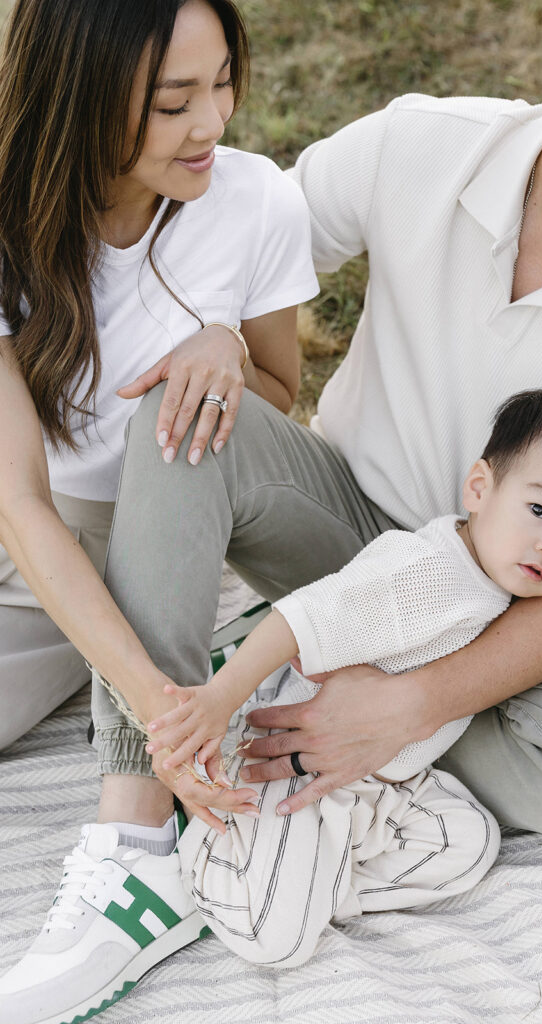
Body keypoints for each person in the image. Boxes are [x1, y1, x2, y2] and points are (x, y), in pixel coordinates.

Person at [2, 0, 542, 1017]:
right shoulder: (418, 145)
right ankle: (137, 836)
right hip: (339, 526)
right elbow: (242, 234)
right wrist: (220, 336)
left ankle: (309, 707)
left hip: (512, 593)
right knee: (183, 411)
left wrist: (408, 703)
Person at [0, 0, 318, 1020]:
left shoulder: (255, 202)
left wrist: (222, 344)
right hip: (36, 542)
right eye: (172, 101)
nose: (211, 122)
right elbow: (19, 503)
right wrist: (160, 702)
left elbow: (275, 397)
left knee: (172, 426)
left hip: (163, 521)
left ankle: (131, 843)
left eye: (221, 81)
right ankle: (202, 664)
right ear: (79, 96)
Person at [138, 389, 542, 968]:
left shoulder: (507, 597)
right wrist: (220, 699)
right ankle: (212, 864)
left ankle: (308, 886)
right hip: (303, 770)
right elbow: (303, 616)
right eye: (540, 511)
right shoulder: (426, 573)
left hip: (382, 788)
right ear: (479, 489)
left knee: (470, 843)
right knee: (276, 944)